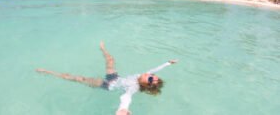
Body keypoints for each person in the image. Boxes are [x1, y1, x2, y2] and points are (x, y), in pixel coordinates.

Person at [36, 42, 178, 115]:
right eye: (152, 76)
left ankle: (48, 72)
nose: (150, 75)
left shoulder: (134, 88)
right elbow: (154, 69)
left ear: (146, 85)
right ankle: (103, 48)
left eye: (150, 79)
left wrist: (123, 109)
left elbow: (126, 97)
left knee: (77, 78)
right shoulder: (144, 76)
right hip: (115, 77)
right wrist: (167, 63)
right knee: (110, 59)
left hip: (107, 85)